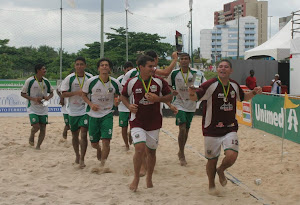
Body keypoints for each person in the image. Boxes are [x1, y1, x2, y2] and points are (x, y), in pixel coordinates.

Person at [188, 59, 262, 192]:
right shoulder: (209, 84)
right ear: (217, 70)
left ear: (231, 70)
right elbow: (195, 98)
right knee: (211, 160)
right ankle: (211, 184)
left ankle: (221, 170)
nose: (223, 69)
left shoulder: (234, 85)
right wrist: (191, 93)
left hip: (230, 127)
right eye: (220, 66)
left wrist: (255, 92)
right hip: (211, 129)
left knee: (232, 156)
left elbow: (243, 98)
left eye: (226, 67)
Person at [120, 55, 173, 192]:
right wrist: (128, 106)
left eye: (153, 66)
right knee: (139, 149)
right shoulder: (132, 82)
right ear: (141, 67)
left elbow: (170, 95)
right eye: (150, 66)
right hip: (137, 120)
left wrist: (158, 99)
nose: (153, 68)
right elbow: (123, 95)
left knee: (151, 152)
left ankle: (149, 176)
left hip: (154, 121)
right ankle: (136, 177)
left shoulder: (159, 81)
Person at [167, 53, 206, 166]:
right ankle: (182, 154)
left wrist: (197, 90)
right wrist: (171, 91)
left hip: (191, 104)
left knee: (186, 130)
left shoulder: (197, 73)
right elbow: (168, 85)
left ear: (189, 61)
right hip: (178, 103)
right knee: (182, 127)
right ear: (179, 61)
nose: (183, 61)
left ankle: (180, 150)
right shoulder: (174, 73)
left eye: (186, 59)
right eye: (182, 59)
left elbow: (203, 86)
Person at [82, 58, 122, 167]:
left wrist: (117, 100)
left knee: (106, 141)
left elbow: (121, 95)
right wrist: (91, 105)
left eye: (106, 65)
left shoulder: (115, 82)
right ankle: (98, 149)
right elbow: (83, 95)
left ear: (109, 68)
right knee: (94, 143)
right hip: (93, 114)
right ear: (98, 68)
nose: (104, 67)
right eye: (102, 65)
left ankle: (103, 165)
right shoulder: (91, 82)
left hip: (107, 113)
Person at [61, 57, 93, 168]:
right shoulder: (69, 78)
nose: (79, 66)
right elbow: (63, 93)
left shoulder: (90, 78)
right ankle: (77, 155)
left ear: (85, 66)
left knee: (83, 133)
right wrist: (77, 93)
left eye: (81, 64)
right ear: (75, 66)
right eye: (77, 64)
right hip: (73, 110)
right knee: (74, 135)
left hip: (85, 109)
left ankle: (83, 159)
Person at [21, 64, 54, 150]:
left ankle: (38, 146)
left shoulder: (46, 81)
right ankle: (32, 135)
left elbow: (51, 93)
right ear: (38, 70)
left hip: (43, 107)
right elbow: (22, 93)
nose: (45, 70)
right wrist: (33, 99)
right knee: (36, 126)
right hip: (32, 107)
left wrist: (48, 97)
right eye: (43, 69)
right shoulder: (30, 81)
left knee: (43, 128)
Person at [117, 61, 134, 150]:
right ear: (124, 70)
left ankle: (131, 135)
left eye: (131, 70)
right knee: (124, 127)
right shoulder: (119, 80)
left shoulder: (135, 77)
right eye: (127, 70)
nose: (129, 72)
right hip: (123, 107)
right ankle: (126, 145)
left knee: (133, 126)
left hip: (132, 106)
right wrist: (118, 99)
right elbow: (117, 93)